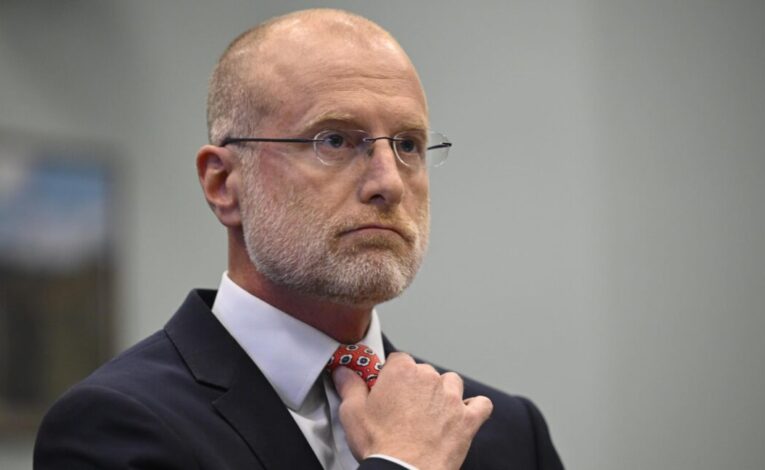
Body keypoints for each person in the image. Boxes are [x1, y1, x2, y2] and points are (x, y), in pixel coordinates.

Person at [34, 8, 563, 470]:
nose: (389, 183)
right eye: (334, 139)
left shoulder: (505, 432)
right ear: (224, 184)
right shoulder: (114, 427)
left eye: (408, 144)